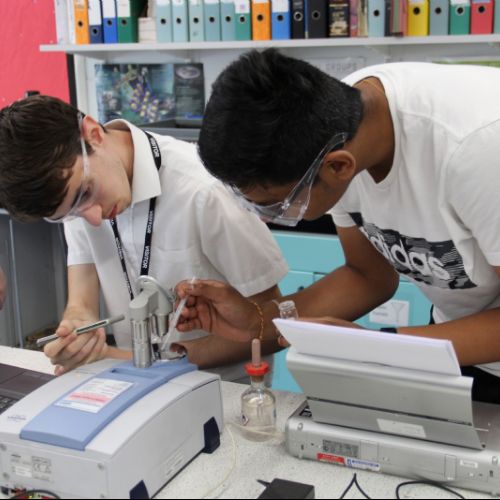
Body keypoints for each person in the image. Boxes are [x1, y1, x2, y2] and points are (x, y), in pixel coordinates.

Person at [176, 49, 500, 403]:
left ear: (339, 167)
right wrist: (260, 319)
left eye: (275, 204)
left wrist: (379, 346)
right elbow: (367, 276)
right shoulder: (327, 127)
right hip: (463, 336)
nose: (263, 218)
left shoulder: (476, 151)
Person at [0, 95, 288, 378]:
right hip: (134, 384)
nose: (93, 217)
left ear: (94, 134)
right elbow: (81, 303)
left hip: (223, 393)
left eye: (86, 193)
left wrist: (133, 358)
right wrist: (77, 330)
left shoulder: (204, 190)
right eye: (68, 214)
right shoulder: (75, 195)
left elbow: (272, 329)